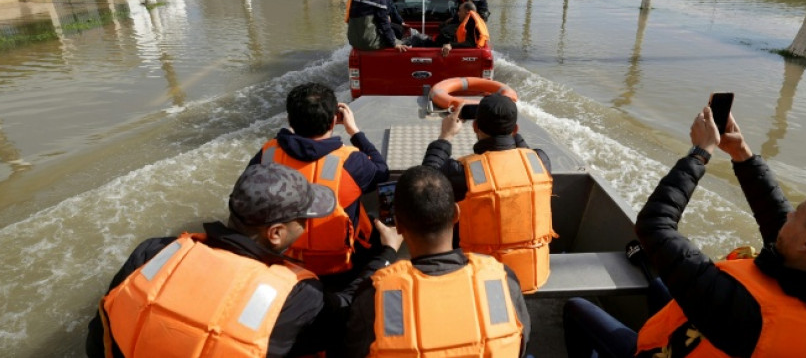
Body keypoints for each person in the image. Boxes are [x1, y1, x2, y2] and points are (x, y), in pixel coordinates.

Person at [563, 108, 806, 358]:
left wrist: (700, 154)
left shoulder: (745, 312)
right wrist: (742, 154)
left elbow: (655, 225)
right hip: (724, 335)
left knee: (577, 308)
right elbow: (778, 219)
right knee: (659, 287)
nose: (788, 215)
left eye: (798, 214)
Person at [86, 163, 338, 357]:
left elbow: (100, 335)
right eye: (303, 221)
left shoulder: (153, 251)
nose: (306, 227)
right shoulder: (300, 295)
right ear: (276, 234)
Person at [345, 165, 531, 357]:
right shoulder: (502, 279)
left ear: (398, 225)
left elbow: (353, 350)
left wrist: (388, 252)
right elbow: (521, 341)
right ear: (456, 214)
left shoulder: (375, 294)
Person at [247, 82, 390, 281]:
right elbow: (382, 172)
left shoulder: (268, 153)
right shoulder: (350, 161)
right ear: (333, 122)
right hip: (340, 267)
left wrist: (288, 134)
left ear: (290, 120)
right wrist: (355, 132)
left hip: (282, 262)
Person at [422, 93, 554, 293]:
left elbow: (424, 183)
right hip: (531, 276)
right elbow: (524, 153)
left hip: (481, 281)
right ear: (515, 129)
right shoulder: (540, 162)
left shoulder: (461, 172)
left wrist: (445, 136)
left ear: (475, 127)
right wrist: (509, 128)